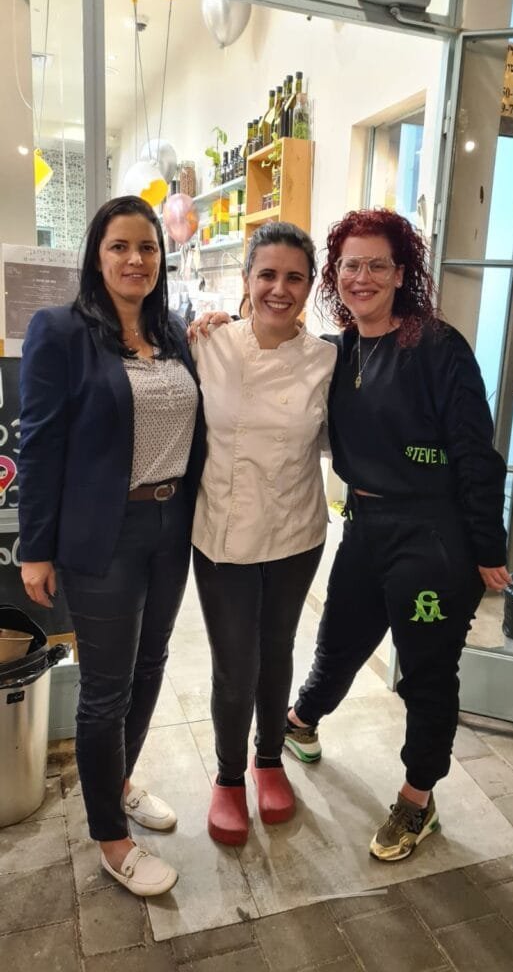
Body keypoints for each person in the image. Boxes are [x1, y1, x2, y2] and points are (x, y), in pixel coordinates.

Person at [283, 208, 511, 862]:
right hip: (365, 525)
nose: (362, 277)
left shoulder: (437, 347)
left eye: (376, 265)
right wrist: (219, 326)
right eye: (350, 265)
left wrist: (487, 547)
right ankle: (301, 721)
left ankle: (418, 798)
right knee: (339, 638)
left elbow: (474, 453)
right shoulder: (339, 350)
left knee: (427, 673)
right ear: (336, 274)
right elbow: (269, 353)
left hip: (432, 536)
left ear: (401, 272)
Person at [18, 196, 205, 896]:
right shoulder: (61, 331)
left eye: (147, 247)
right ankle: (111, 839)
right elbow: (39, 446)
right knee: (106, 687)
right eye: (120, 246)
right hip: (104, 533)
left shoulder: (172, 331)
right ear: (96, 256)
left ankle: (119, 781)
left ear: (162, 258)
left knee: (152, 662)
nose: (135, 259)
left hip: (172, 526)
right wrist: (35, 548)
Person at [190, 221, 336, 847]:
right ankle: (228, 776)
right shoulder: (208, 343)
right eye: (267, 275)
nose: (280, 288)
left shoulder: (327, 360)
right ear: (247, 279)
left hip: (297, 530)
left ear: (310, 285)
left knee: (277, 650)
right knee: (235, 661)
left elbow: (343, 439)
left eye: (294, 277)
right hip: (221, 533)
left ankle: (269, 758)